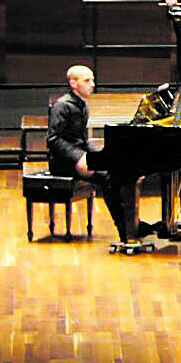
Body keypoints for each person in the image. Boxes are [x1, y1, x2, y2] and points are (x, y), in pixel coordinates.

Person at [47, 65, 152, 244]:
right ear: (73, 83)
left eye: (92, 80)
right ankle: (126, 230)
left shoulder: (81, 104)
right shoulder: (62, 106)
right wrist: (79, 157)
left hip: (78, 156)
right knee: (110, 178)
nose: (92, 85)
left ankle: (132, 226)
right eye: (87, 81)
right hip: (63, 162)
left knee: (121, 170)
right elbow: (54, 140)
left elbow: (80, 140)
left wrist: (103, 155)